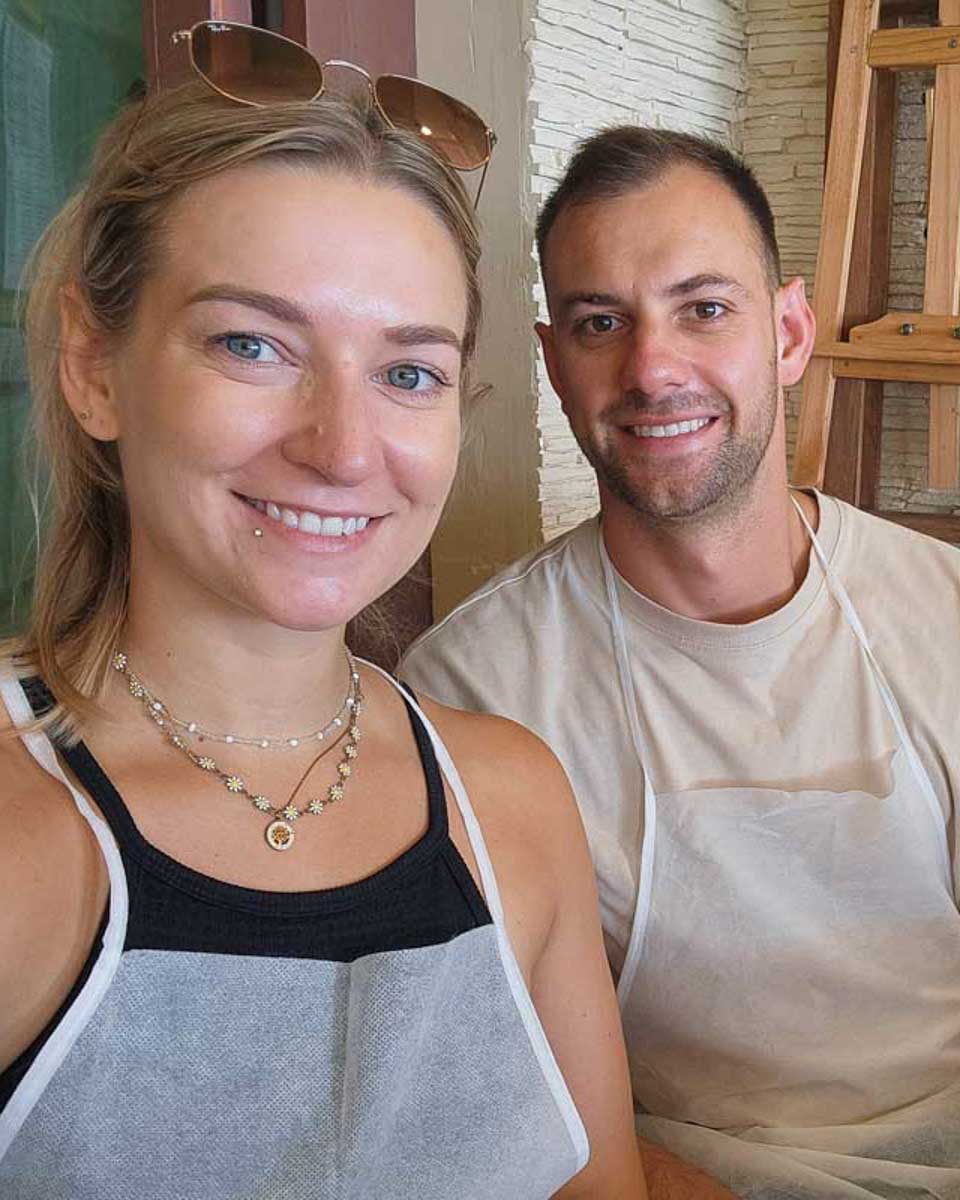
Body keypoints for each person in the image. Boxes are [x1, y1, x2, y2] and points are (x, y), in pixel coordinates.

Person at [0, 26, 646, 1199]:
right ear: (96, 370)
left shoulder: (513, 805)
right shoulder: (19, 833)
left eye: (408, 372)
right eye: (252, 343)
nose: (343, 449)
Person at [401, 125, 960, 1198]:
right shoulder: (469, 692)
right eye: (601, 322)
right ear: (555, 360)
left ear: (789, 332)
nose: (653, 368)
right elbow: (508, 1094)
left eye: (705, 309)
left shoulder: (940, 617)